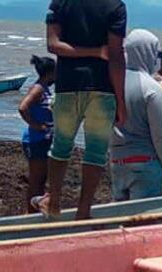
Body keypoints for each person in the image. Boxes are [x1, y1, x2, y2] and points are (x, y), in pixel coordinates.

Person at [42, 0, 127, 220]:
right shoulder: (115, 6)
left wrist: (92, 52)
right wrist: (121, 101)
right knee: (96, 152)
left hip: (68, 85)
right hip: (103, 88)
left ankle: (54, 202)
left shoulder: (61, 3)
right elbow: (116, 57)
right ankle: (83, 210)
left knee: (60, 146)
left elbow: (53, 45)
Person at [109, 29, 162, 201]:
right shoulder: (152, 88)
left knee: (121, 218)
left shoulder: (111, 82)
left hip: (117, 161)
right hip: (145, 163)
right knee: (143, 222)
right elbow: (161, 134)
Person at [19, 55, 56, 213]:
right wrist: (37, 125)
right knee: (36, 179)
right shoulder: (38, 88)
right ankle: (30, 213)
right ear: (50, 72)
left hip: (43, 139)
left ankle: (36, 210)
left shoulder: (45, 88)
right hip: (35, 140)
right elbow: (23, 107)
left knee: (41, 179)